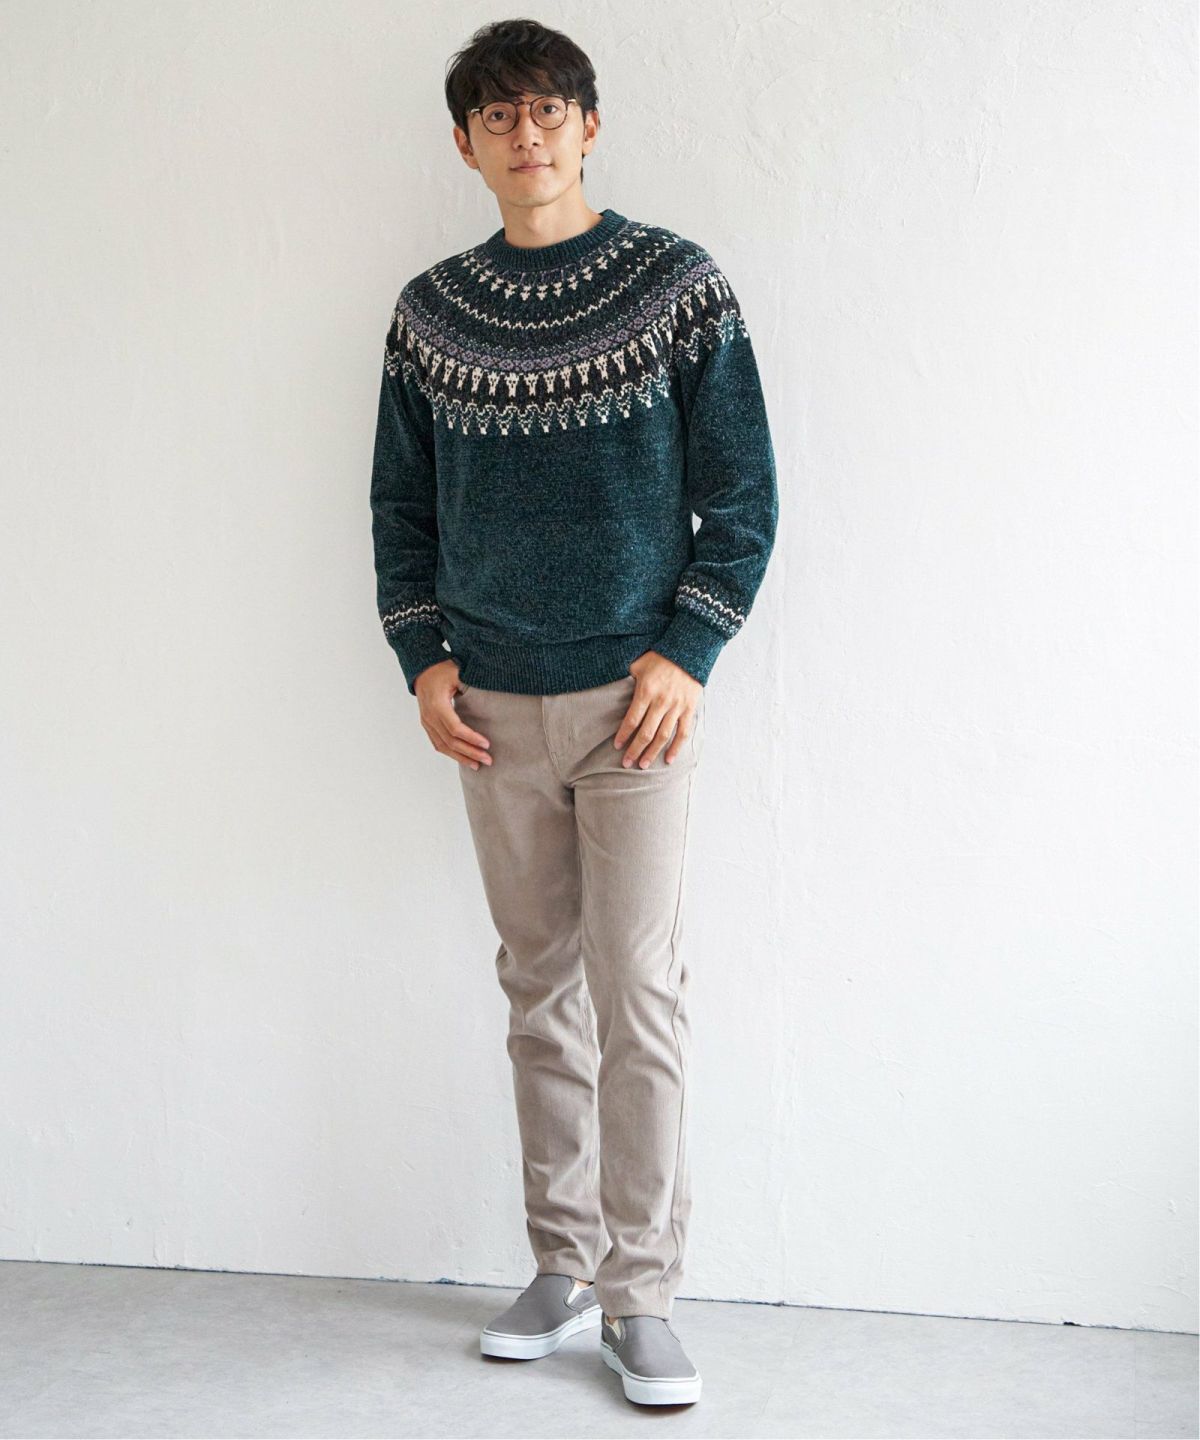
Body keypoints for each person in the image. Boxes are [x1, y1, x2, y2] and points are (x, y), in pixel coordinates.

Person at [369, 17, 778, 1409]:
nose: (527, 134)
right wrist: (423, 658)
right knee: (537, 989)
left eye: (548, 110)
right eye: (499, 116)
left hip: (631, 708)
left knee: (636, 994)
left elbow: (744, 493)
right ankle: (561, 1267)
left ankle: (641, 1294)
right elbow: (401, 505)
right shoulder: (431, 313)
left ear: (589, 126)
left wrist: (687, 654)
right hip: (489, 705)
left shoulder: (676, 286)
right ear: (466, 145)